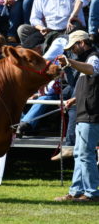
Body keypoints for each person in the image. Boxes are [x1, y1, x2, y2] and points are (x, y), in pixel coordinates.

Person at [55, 30, 99, 202]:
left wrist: (69, 62)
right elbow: (90, 85)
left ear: (82, 43)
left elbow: (93, 70)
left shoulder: (94, 57)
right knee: (79, 154)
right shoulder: (83, 60)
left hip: (91, 114)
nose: (72, 51)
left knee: (86, 154)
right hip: (83, 113)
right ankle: (76, 192)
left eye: (73, 47)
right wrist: (74, 99)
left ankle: (91, 193)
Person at [17, 0, 87, 53]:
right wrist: (42, 27)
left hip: (69, 30)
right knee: (23, 31)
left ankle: (46, 50)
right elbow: (34, 18)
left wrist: (74, 15)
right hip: (49, 31)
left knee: (74, 26)